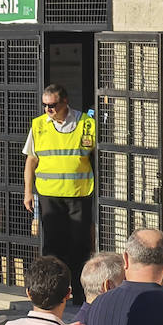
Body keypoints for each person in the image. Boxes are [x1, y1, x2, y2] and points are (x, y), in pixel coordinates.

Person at [23, 83, 95, 306]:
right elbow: (31, 160)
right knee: (53, 248)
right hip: (49, 195)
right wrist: (28, 192)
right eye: (45, 105)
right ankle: (52, 293)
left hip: (78, 193)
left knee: (79, 245)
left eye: (52, 105)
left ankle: (80, 295)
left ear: (65, 102)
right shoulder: (38, 126)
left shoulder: (86, 123)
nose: (48, 110)